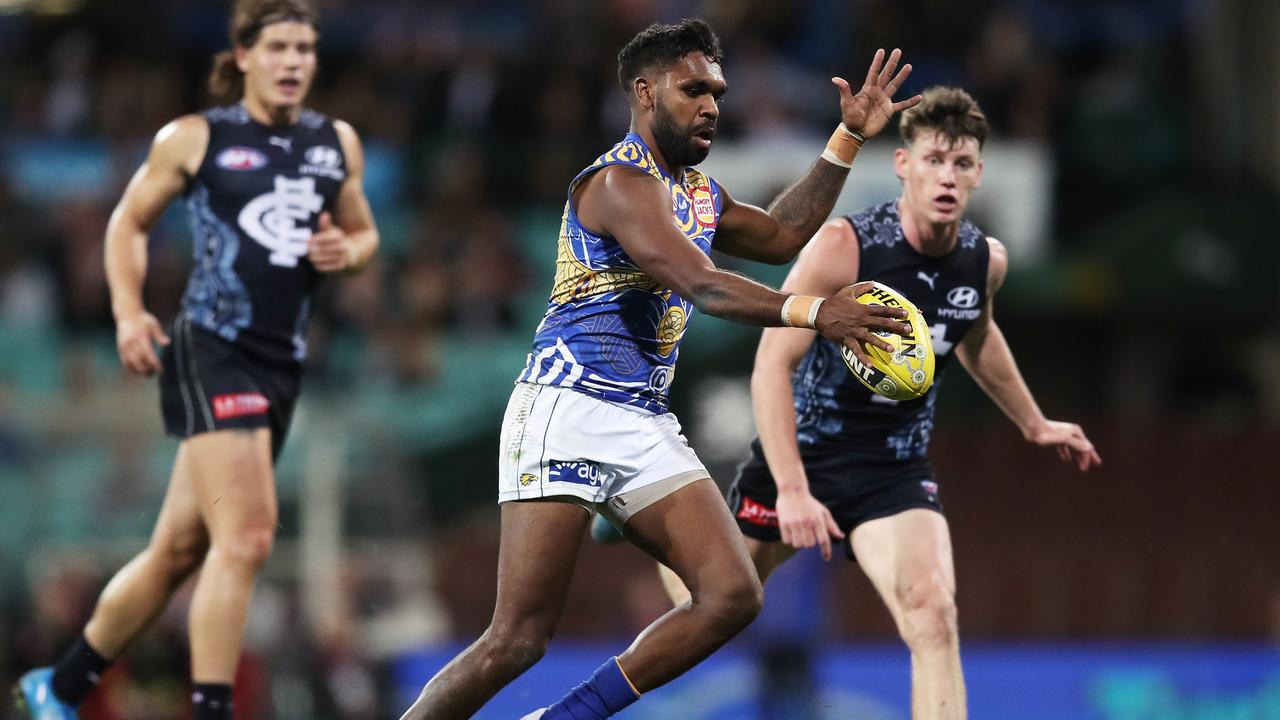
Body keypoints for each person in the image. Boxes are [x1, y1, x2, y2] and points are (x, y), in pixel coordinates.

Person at [398, 19, 921, 720]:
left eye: (718, 92)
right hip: (566, 408)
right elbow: (702, 284)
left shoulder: (699, 194)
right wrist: (816, 312)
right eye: (693, 89)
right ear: (645, 93)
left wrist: (848, 136)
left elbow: (783, 233)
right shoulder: (617, 183)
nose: (711, 104)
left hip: (642, 418)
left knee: (733, 594)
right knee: (517, 640)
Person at [650, 86, 1103, 719]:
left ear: (978, 174)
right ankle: (645, 534)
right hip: (803, 458)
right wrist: (795, 489)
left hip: (893, 472)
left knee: (933, 614)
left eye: (962, 163)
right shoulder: (845, 248)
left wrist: (1033, 422)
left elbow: (976, 332)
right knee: (712, 602)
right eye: (933, 160)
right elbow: (770, 367)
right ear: (903, 166)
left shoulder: (984, 261)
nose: (947, 176)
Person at [14, 1, 379, 718]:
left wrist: (349, 252)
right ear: (243, 55)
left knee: (179, 549)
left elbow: (364, 234)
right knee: (244, 537)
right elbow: (127, 222)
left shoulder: (335, 143)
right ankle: (212, 709)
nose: (293, 61)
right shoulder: (195, 138)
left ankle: (57, 686)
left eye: (304, 47)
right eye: (277, 47)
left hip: (280, 363)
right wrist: (126, 311)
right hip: (213, 345)